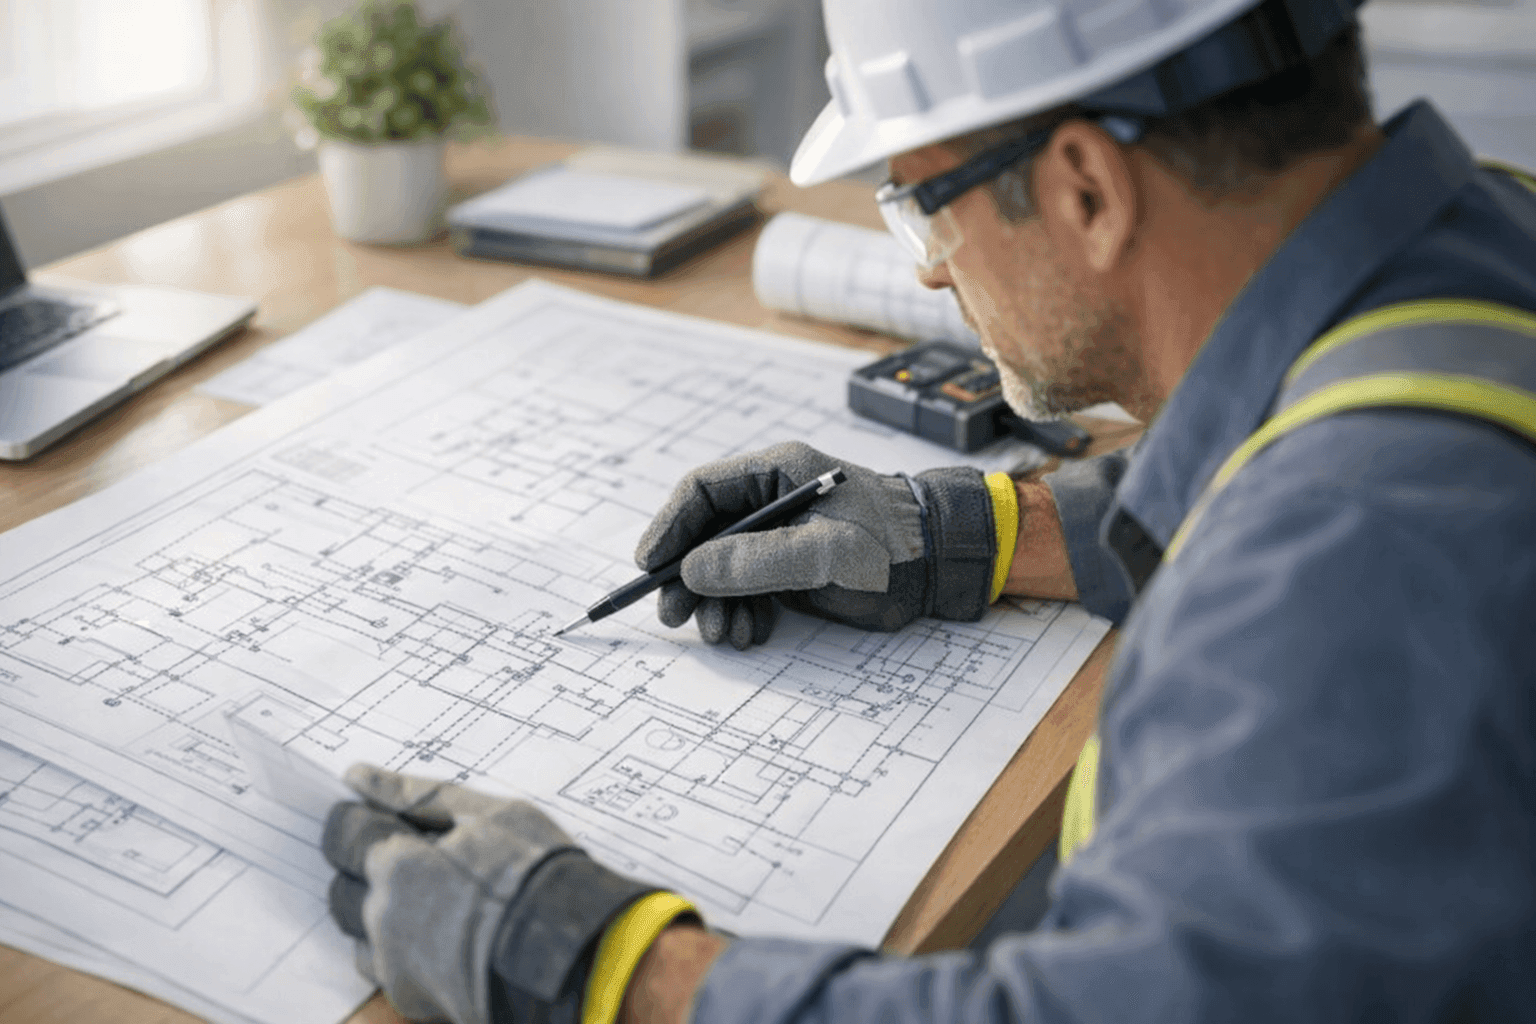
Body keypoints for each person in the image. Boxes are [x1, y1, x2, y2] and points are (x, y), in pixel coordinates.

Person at [320, 0, 1536, 1020]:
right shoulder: (1484, 230)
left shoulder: (1354, 573)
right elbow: (1294, 434)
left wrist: (609, 967)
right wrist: (974, 528)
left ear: (1088, 190)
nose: (928, 268)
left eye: (919, 197)